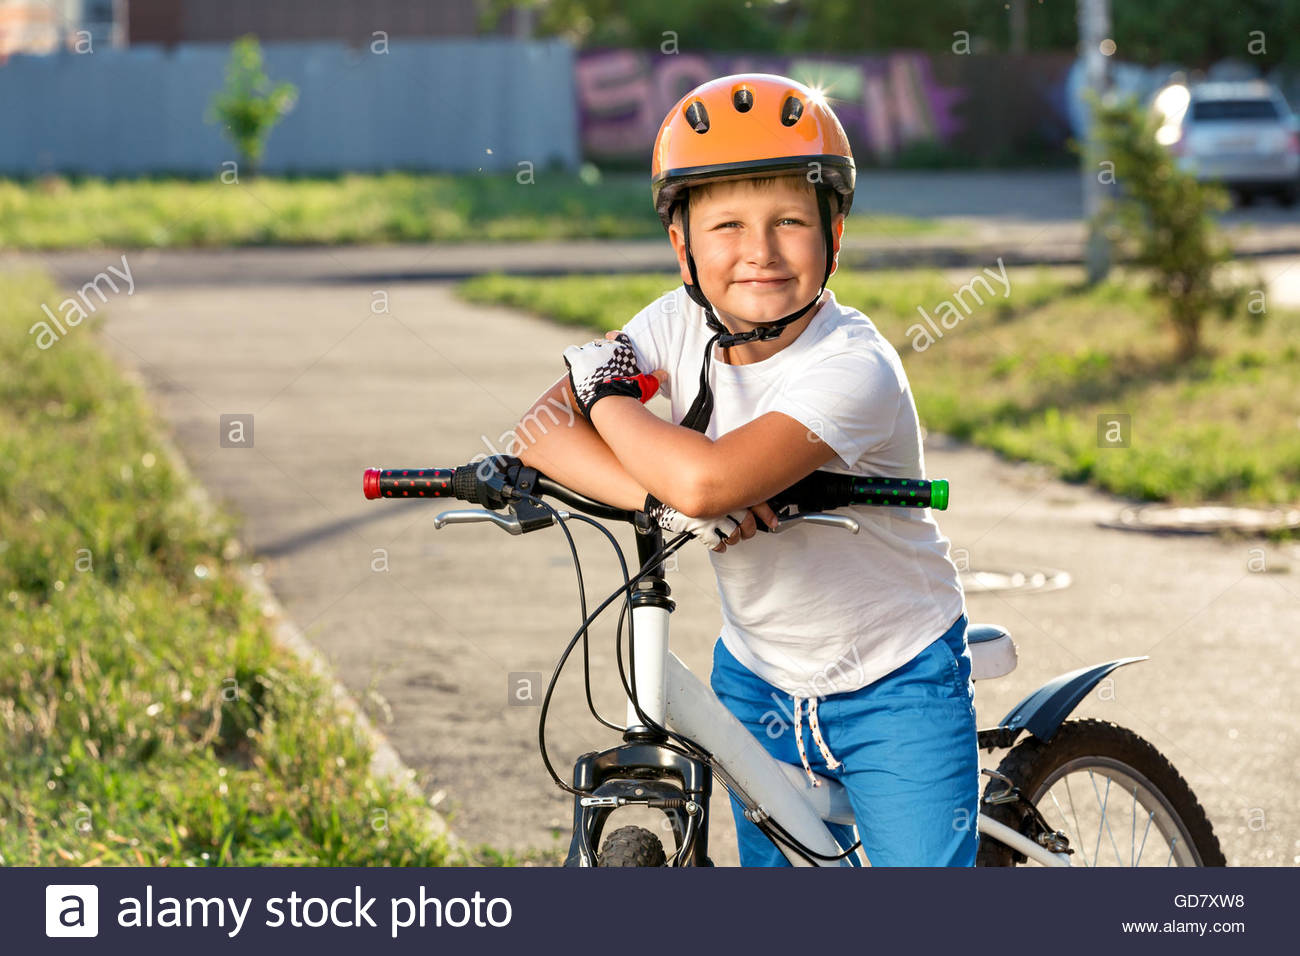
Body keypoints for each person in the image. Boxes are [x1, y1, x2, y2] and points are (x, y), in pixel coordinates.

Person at [514, 73, 978, 866]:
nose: (758, 253)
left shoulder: (853, 366)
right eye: (725, 224)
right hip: (758, 684)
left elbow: (706, 481)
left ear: (834, 233)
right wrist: (657, 504)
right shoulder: (672, 322)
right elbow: (539, 431)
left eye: (790, 221)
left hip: (893, 680)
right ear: (681, 242)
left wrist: (605, 393)